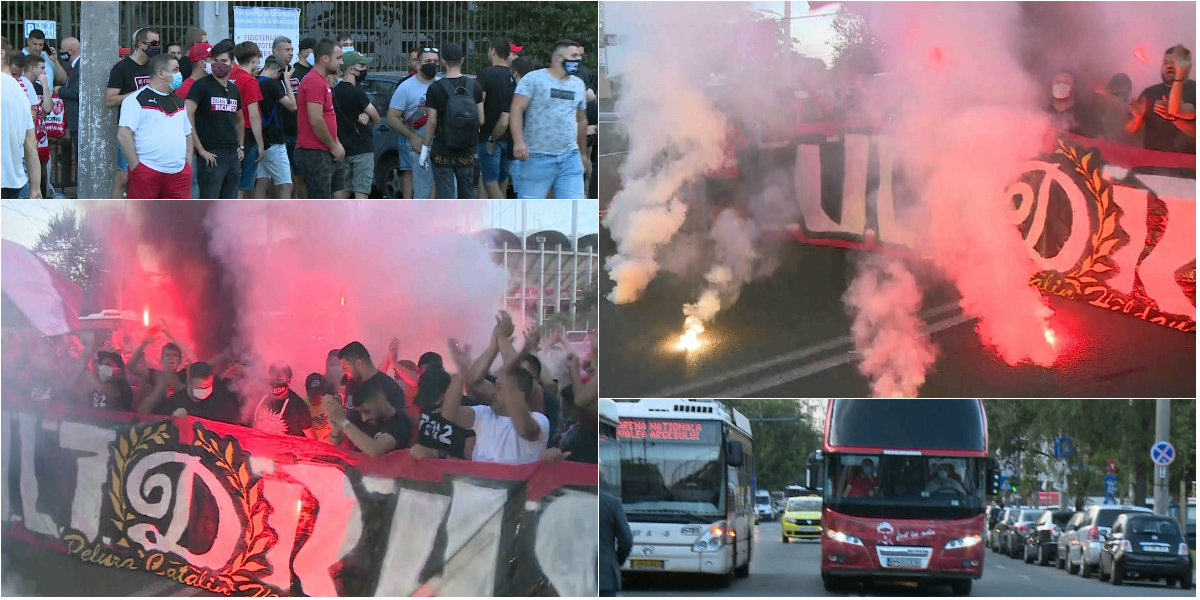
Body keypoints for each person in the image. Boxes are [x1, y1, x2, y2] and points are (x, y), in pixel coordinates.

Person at [442, 329, 549, 465]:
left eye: (499, 388)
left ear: (518, 392)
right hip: (479, 485)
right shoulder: (484, 414)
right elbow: (449, 413)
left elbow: (524, 429)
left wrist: (519, 351)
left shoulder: (540, 420)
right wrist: (461, 371)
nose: (493, 392)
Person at [510, 40, 589, 199]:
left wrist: (582, 153)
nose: (578, 59)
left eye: (580, 56)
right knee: (530, 207)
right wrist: (518, 141)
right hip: (537, 158)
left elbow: (582, 120)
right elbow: (516, 108)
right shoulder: (534, 79)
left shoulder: (578, 85)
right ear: (558, 58)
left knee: (574, 204)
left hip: (569, 158)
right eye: (574, 55)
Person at [118, 53, 193, 198]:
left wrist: (187, 167)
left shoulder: (178, 101)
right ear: (161, 73)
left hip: (179, 175)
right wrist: (137, 168)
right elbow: (124, 133)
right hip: (147, 173)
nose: (180, 74)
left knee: (178, 219)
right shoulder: (136, 99)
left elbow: (188, 135)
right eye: (176, 70)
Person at [420, 43, 484, 199]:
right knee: (467, 195)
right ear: (462, 60)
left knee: (445, 196)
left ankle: (447, 223)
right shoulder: (475, 86)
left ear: (442, 61)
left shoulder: (435, 88)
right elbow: (481, 119)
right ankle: (467, 223)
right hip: (467, 151)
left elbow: (432, 122)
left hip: (443, 150)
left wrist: (425, 148)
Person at [106, 27, 159, 198]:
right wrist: (138, 93)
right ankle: (113, 216)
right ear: (140, 44)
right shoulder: (122, 68)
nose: (156, 47)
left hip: (152, 129)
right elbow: (110, 100)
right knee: (123, 176)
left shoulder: (154, 67)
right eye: (153, 43)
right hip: (129, 129)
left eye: (158, 43)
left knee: (149, 176)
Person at [187, 40, 243, 198]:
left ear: (232, 63)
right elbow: (187, 114)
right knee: (209, 204)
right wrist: (201, 150)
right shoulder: (201, 86)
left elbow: (240, 119)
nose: (219, 64)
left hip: (233, 154)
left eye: (224, 61)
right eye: (215, 60)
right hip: (211, 155)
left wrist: (241, 145)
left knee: (229, 204)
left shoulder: (234, 89)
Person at [387, 47, 438, 198]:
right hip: (420, 146)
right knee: (423, 191)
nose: (432, 65)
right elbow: (392, 118)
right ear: (418, 65)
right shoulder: (406, 87)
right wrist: (412, 137)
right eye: (428, 61)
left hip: (443, 146)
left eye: (435, 62)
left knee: (445, 191)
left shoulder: (442, 84)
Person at [296, 38, 344, 198]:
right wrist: (333, 146)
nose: (341, 62)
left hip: (325, 149)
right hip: (315, 151)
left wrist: (336, 142)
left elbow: (327, 115)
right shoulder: (314, 80)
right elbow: (316, 120)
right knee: (319, 203)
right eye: (338, 58)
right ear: (325, 58)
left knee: (335, 196)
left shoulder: (322, 80)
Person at [1128, 45, 1196, 153]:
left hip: (1187, 163)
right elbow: (1128, 131)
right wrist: (1138, 118)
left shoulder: (1195, 90)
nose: (1169, 66)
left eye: (1174, 62)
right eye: (1165, 62)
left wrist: (1175, 119)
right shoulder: (1149, 93)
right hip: (1152, 160)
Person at [322, 377, 411, 457]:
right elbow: (337, 441)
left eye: (367, 411)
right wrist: (336, 428)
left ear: (380, 401)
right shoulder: (367, 420)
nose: (364, 418)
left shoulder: (400, 421)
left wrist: (342, 421)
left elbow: (375, 450)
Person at [331, 51, 378, 199]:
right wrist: (368, 114)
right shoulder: (357, 93)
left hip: (341, 149)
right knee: (361, 191)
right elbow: (376, 117)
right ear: (351, 69)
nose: (364, 69)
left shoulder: (333, 92)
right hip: (362, 148)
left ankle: (339, 221)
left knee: (342, 190)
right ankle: (359, 222)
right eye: (362, 65)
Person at [409, 363, 476, 460]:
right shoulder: (427, 406)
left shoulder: (468, 413)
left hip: (449, 472)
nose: (429, 404)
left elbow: (469, 465)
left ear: (447, 391)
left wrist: (436, 454)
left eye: (433, 398)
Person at [477, 36, 515, 199]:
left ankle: (500, 214)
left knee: (489, 182)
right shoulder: (515, 76)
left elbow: (480, 102)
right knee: (502, 180)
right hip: (511, 137)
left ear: (493, 51)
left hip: (488, 136)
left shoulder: (485, 76)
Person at [253, 56, 295, 198]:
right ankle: (284, 219)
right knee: (286, 185)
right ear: (278, 70)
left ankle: (255, 218)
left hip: (260, 141)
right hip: (274, 141)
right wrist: (287, 82)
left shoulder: (254, 81)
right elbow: (292, 106)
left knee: (262, 182)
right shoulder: (271, 84)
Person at [231, 41, 266, 198]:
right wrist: (260, 144)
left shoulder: (230, 77)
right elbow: (254, 115)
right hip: (247, 134)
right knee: (243, 183)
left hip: (230, 130)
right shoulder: (250, 81)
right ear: (254, 59)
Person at [338, 341, 406, 413]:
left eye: (345, 367)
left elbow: (397, 422)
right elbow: (348, 420)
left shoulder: (389, 388)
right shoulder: (350, 385)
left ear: (358, 363)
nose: (343, 372)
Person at [18, 53, 52, 199]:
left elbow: (48, 109)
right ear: (32, 68)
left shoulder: (37, 87)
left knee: (42, 171)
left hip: (41, 137)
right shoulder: (20, 85)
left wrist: (45, 85)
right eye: (42, 68)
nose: (44, 71)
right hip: (28, 139)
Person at [166, 362, 241, 424]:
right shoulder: (175, 402)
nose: (205, 391)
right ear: (188, 382)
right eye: (200, 388)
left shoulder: (219, 398)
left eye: (208, 386)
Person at [287, 37, 316, 197]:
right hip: (289, 130)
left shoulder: (316, 73)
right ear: (304, 51)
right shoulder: (292, 72)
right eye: (313, 51)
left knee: (304, 176)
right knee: (290, 178)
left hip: (307, 132)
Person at [598, 463, 633, 597]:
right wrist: (616, 560)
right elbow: (626, 540)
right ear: (601, 477)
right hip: (605, 576)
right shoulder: (612, 503)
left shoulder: (571, 502)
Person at [251, 363, 313, 438]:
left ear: (289, 380)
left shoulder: (298, 406)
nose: (276, 382)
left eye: (279, 378)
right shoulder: (259, 396)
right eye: (273, 377)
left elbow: (311, 438)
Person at [507, 57, 533, 197]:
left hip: (518, 146)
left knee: (519, 184)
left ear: (515, 73)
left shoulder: (516, 93)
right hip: (534, 147)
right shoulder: (536, 90)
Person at [1047, 70, 1095, 137]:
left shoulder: (1085, 114)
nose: (1061, 86)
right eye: (1057, 82)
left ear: (1074, 87)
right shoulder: (1045, 113)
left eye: (1066, 83)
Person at [1094, 73, 1138, 145]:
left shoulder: (1126, 108)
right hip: (1108, 146)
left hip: (1110, 146)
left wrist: (1103, 92)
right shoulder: (1104, 103)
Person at [57, 37, 81, 161]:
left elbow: (77, 92)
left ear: (70, 51)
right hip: (73, 121)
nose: (60, 52)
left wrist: (59, 91)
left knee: (81, 159)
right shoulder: (73, 66)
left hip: (78, 121)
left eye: (62, 49)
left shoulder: (80, 66)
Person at [304, 372, 334, 443]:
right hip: (312, 443)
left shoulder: (331, 403)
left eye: (318, 394)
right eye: (312, 395)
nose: (315, 397)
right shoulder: (301, 404)